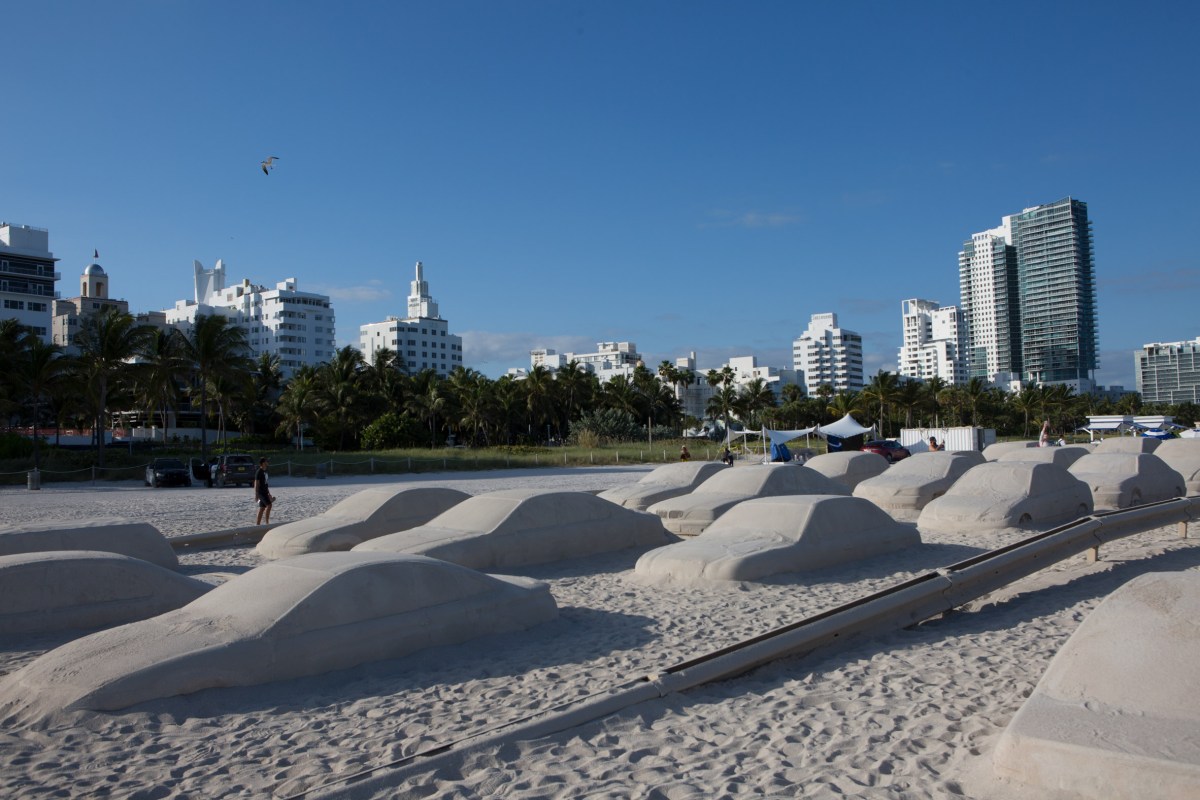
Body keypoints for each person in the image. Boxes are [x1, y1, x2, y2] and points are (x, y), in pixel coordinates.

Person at [253, 457, 274, 525]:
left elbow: (265, 483)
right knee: (269, 505)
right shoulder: (259, 472)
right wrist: (256, 494)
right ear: (263, 463)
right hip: (261, 492)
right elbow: (256, 484)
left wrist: (269, 493)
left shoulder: (265, 472)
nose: (267, 462)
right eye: (266, 461)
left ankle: (257, 524)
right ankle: (267, 523)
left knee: (262, 508)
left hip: (265, 492)